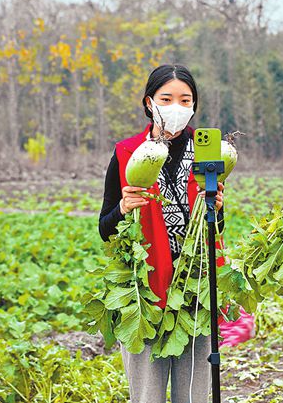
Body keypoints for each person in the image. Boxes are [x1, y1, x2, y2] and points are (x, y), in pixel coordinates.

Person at [99, 64, 224, 403]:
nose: (177, 107)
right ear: (149, 103)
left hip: (194, 294)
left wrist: (217, 207)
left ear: (194, 106)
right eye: (167, 98)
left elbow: (216, 231)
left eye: (186, 100)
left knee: (194, 397)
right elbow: (105, 229)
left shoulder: (207, 151)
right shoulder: (127, 153)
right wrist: (124, 208)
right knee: (148, 397)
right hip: (144, 294)